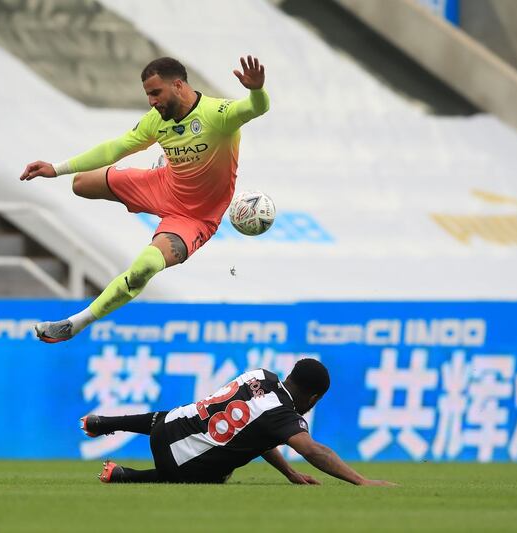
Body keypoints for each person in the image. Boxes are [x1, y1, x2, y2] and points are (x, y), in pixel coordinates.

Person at [20, 56, 270, 343]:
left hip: (194, 218)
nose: (151, 101)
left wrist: (257, 90)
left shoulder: (218, 114)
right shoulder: (156, 121)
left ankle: (76, 323)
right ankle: (159, 167)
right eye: (148, 95)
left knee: (144, 267)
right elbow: (115, 148)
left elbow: (257, 107)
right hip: (162, 185)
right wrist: (56, 168)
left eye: (155, 93)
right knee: (80, 184)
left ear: (177, 85)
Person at [80, 358, 395, 486]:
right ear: (313, 399)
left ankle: (102, 422)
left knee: (184, 417)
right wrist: (362, 481)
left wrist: (289, 472)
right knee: (221, 471)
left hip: (164, 427)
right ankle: (124, 475)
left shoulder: (259, 376)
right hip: (178, 461)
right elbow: (313, 450)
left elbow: (255, 435)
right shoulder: (284, 415)